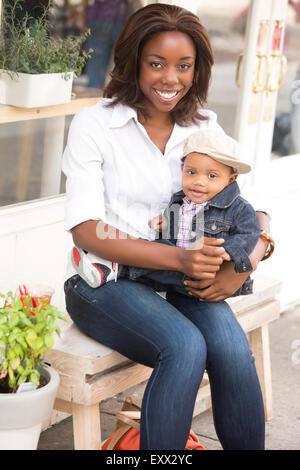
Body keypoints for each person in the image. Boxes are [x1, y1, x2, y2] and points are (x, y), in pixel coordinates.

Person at [62, 3, 274, 450]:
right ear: (134, 60)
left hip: (181, 280)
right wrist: (181, 257)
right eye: (156, 63)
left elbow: (247, 210)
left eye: (184, 66)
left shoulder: (203, 126)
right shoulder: (95, 125)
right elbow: (86, 229)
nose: (170, 79)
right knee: (184, 347)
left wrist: (247, 261)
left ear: (198, 69)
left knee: (233, 351)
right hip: (105, 282)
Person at [71, 128, 261, 299]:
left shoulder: (239, 209)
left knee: (166, 265)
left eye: (211, 176)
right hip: (178, 265)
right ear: (182, 169)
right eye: (192, 172)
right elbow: (180, 228)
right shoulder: (181, 200)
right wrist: (167, 222)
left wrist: (226, 251)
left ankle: (116, 269)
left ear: (231, 179)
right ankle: (110, 268)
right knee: (154, 249)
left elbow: (250, 232)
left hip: (207, 274)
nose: (199, 182)